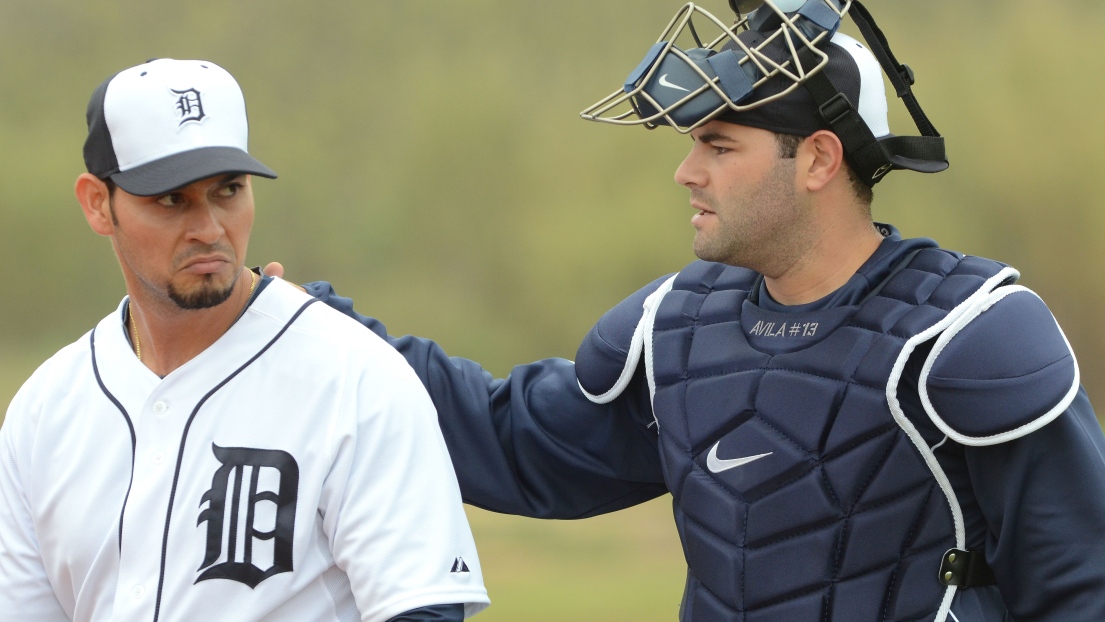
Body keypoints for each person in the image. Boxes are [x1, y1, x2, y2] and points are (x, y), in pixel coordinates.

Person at [273, 1, 1105, 620]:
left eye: (717, 145)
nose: (686, 172)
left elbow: (1079, 583)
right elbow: (512, 444)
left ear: (816, 159)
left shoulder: (971, 334)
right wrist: (313, 328)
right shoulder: (674, 328)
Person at [0, 59, 489, 622]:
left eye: (227, 190)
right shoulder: (46, 411)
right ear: (96, 203)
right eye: (171, 200)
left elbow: (420, 610)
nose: (209, 228)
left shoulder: (356, 377)